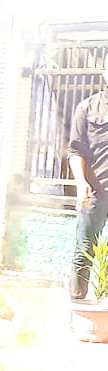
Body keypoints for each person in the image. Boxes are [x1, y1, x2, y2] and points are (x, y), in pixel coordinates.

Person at [69, 56, 108, 301]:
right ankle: (79, 308)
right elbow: (75, 150)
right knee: (84, 252)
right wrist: (80, 183)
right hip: (95, 193)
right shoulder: (87, 108)